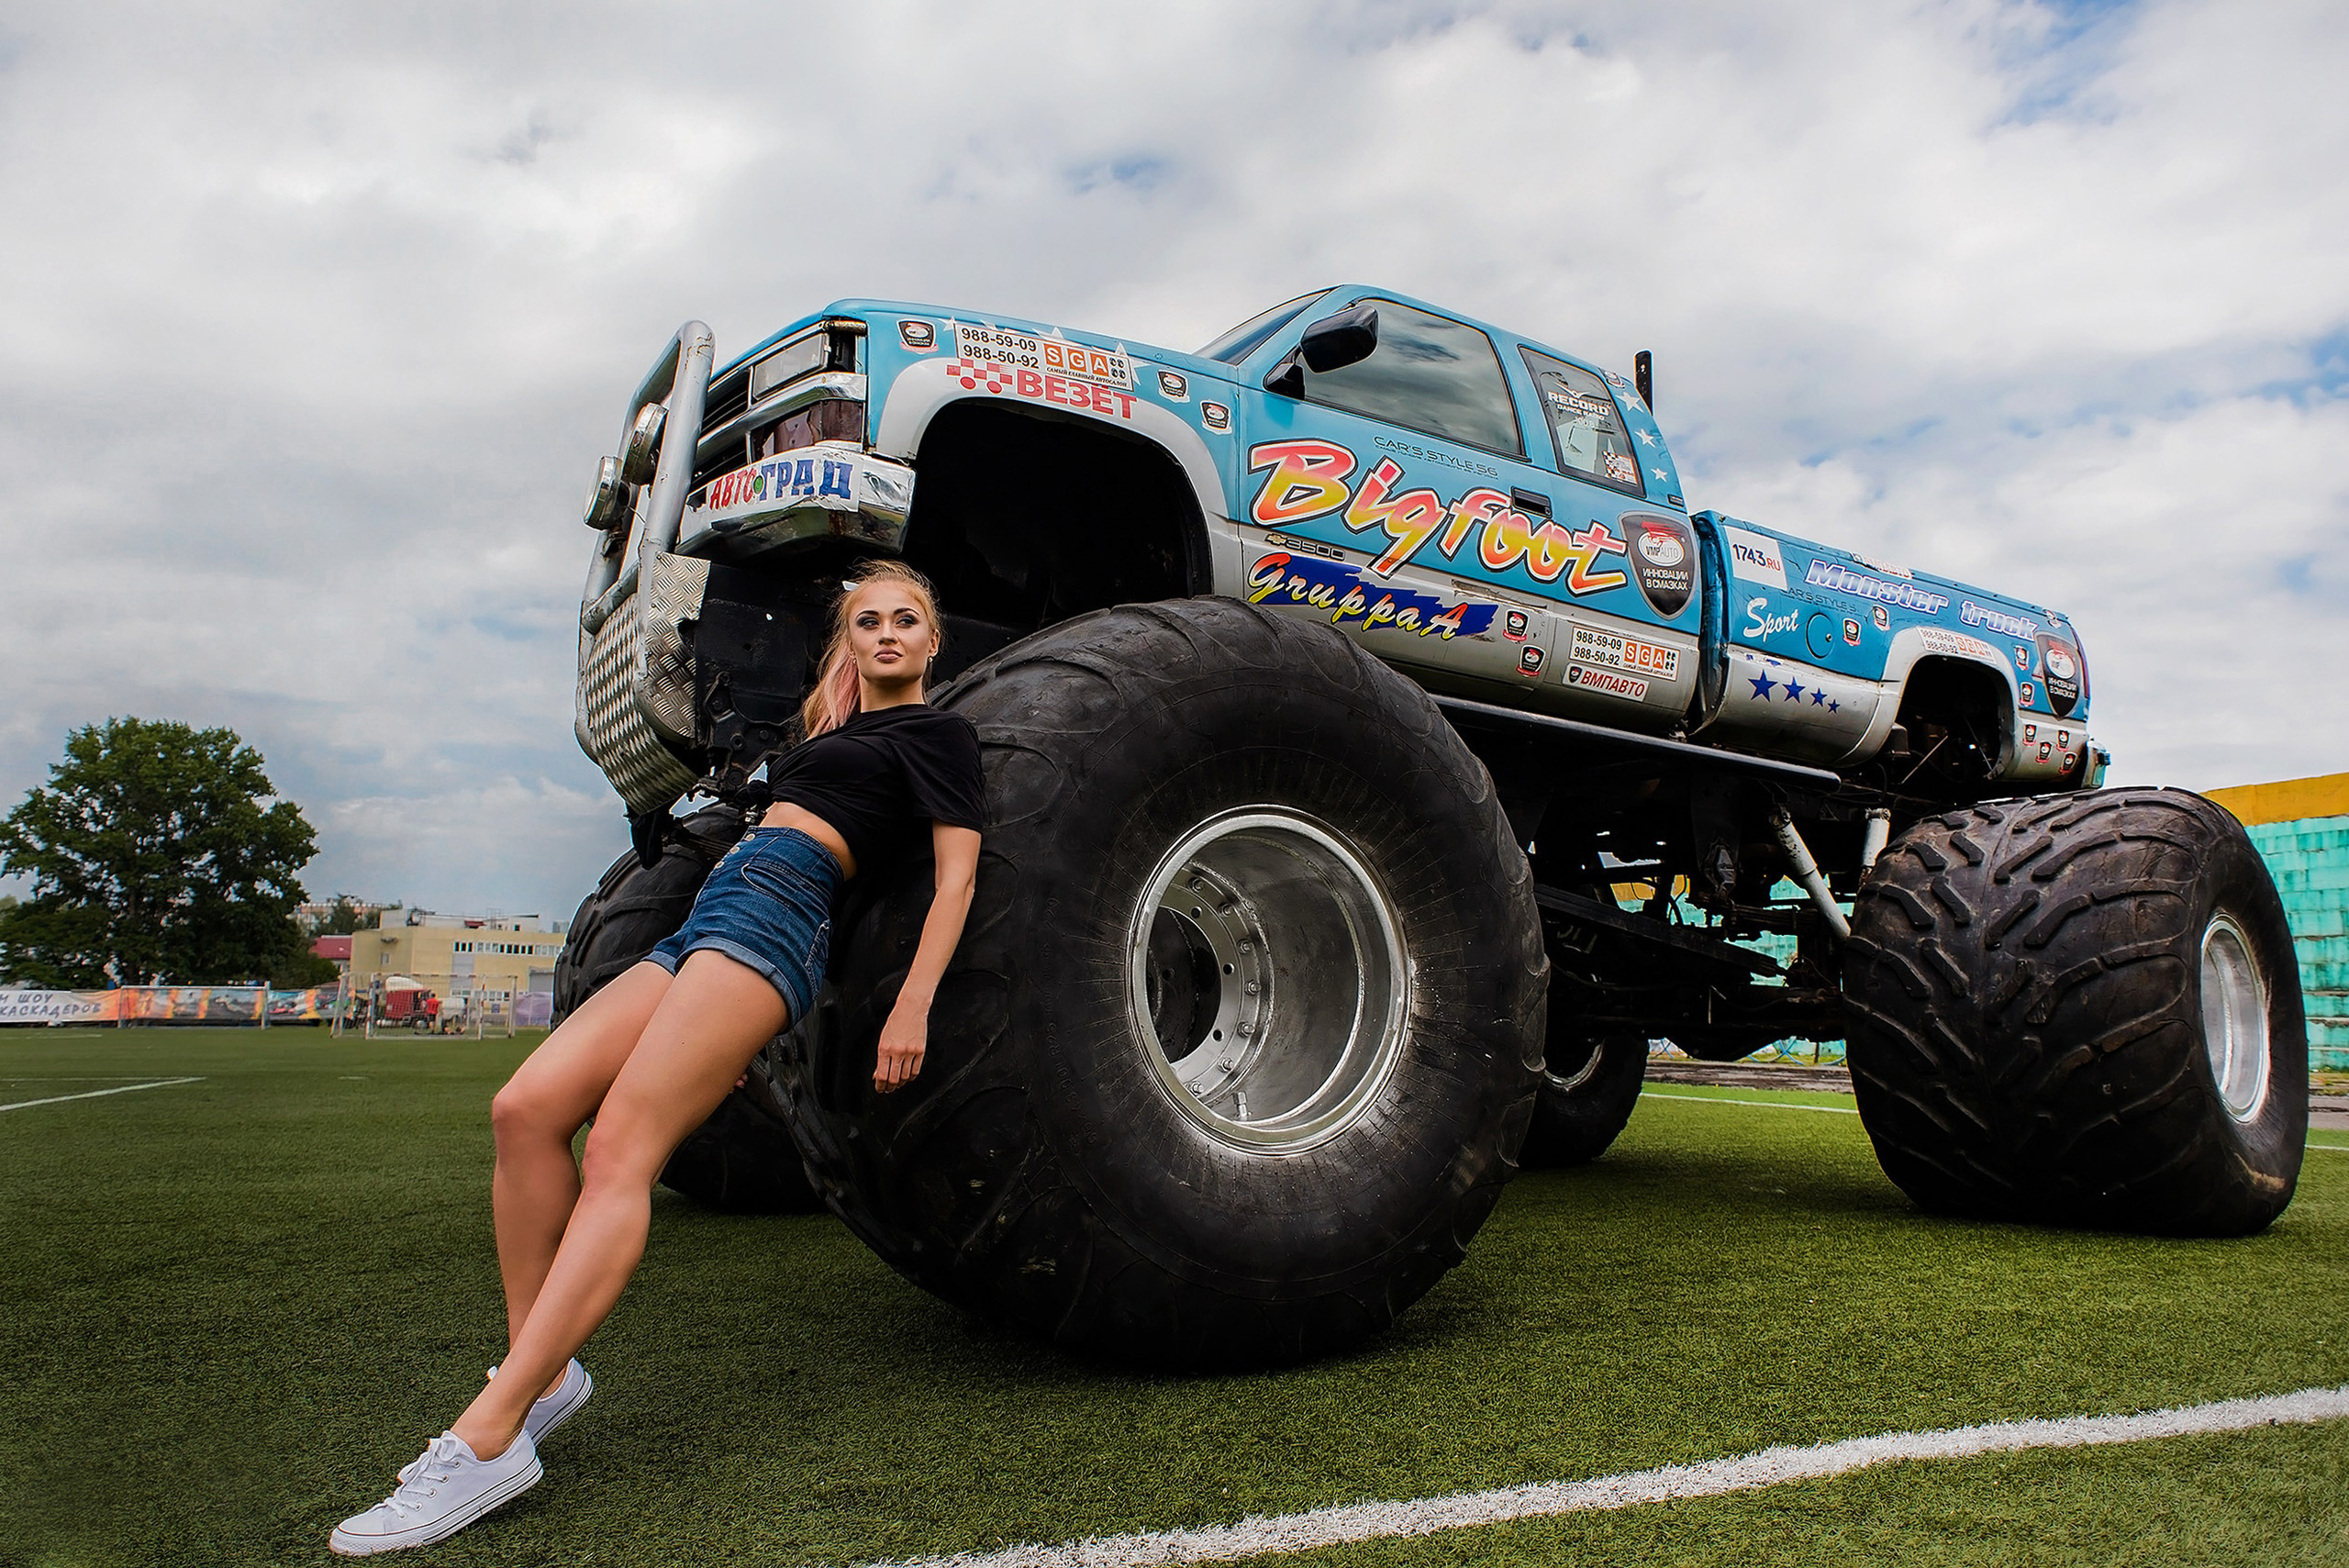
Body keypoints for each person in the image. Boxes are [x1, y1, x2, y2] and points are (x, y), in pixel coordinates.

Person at [329, 561, 985, 1556]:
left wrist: (913, 1004)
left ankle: (490, 1431)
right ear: (847, 642)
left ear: (930, 641)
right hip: (708, 916)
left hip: (777, 917)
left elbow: (953, 875)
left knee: (621, 1150)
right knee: (527, 1105)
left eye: (905, 620)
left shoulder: (937, 734)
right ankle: (541, 1371)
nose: (887, 634)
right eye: (867, 622)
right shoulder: (829, 736)